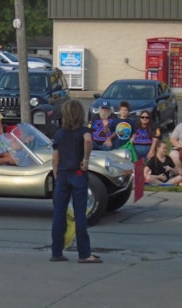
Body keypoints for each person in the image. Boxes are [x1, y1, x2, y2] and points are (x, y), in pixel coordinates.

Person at [51, 100, 102, 263]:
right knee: (80, 213)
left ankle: (56, 251)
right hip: (78, 174)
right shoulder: (83, 130)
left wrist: (56, 172)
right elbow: (88, 140)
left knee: (59, 213)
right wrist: (85, 159)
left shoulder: (60, 133)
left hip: (63, 174)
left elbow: (55, 154)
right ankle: (84, 253)